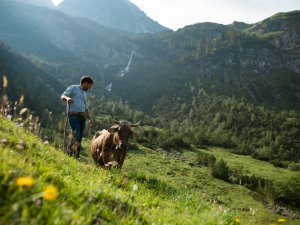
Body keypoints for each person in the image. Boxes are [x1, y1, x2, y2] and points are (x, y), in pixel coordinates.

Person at [61, 76, 94, 158]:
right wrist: (68, 98)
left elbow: (85, 108)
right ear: (86, 83)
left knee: (79, 139)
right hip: (73, 116)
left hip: (82, 117)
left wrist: (89, 119)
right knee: (77, 135)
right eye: (90, 86)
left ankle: (75, 156)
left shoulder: (84, 93)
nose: (90, 88)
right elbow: (63, 96)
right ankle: (68, 154)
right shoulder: (73, 88)